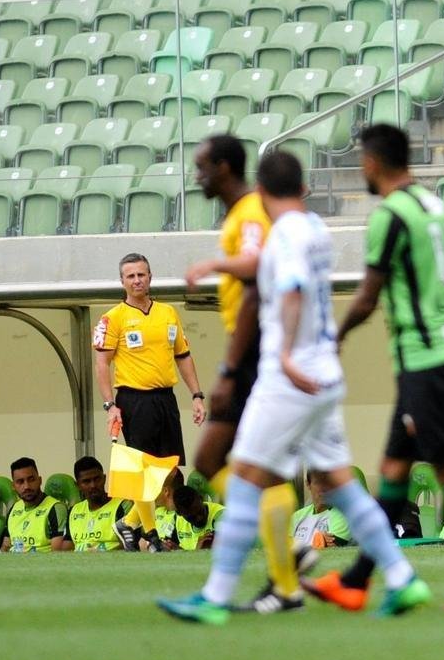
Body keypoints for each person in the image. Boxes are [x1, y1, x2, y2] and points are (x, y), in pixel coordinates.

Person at [157, 150, 430, 624]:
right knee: (341, 485)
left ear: (261, 190)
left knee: (241, 478)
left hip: (289, 375)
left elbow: (292, 288)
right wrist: (217, 265)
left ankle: (216, 597)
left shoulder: (284, 233)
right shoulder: (315, 229)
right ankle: (404, 578)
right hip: (324, 372)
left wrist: (283, 355)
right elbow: (264, 264)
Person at [306, 124, 444, 613]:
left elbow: (368, 293)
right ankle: (359, 580)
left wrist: (334, 339)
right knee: (392, 472)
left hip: (427, 360)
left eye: (361, 160)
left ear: (372, 162)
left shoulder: (392, 216)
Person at [182, 134, 309, 608]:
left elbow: (255, 282)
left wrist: (230, 369)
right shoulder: (244, 213)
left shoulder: (251, 212)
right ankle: (287, 567)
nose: (197, 176)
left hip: (255, 351)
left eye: (201, 166)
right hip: (257, 350)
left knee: (215, 461)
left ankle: (286, 567)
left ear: (223, 167)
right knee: (244, 468)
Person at [95, 252, 206, 551]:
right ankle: (152, 535)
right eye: (130, 276)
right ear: (121, 281)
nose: (136, 280)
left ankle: (128, 523)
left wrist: (196, 395)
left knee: (169, 470)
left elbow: (182, 355)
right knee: (142, 470)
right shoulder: (113, 318)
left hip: (164, 398)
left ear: (150, 277)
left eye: (141, 274)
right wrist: (110, 405)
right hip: (134, 399)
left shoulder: (168, 313)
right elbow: (102, 364)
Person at [65, 456, 131, 552]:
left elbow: (130, 547)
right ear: (77, 485)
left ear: (104, 478)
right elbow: (66, 549)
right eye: (86, 481)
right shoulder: (73, 511)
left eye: (97, 479)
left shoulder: (122, 506)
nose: (93, 485)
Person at [4, 457, 68, 553]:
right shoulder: (14, 508)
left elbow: (57, 554)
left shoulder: (55, 508)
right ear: (13, 486)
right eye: (20, 482)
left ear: (40, 480)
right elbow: (5, 546)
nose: (27, 486)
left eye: (31, 479)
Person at [291, 471, 351, 548]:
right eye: (318, 483)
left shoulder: (343, 514)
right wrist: (319, 540)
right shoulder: (297, 516)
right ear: (308, 485)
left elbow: (331, 547)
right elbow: (283, 545)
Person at [171, 485, 223, 550]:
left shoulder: (221, 516)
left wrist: (197, 553)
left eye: (200, 511)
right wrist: (180, 552)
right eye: (192, 517)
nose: (199, 518)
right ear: (179, 513)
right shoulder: (178, 521)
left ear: (201, 498)